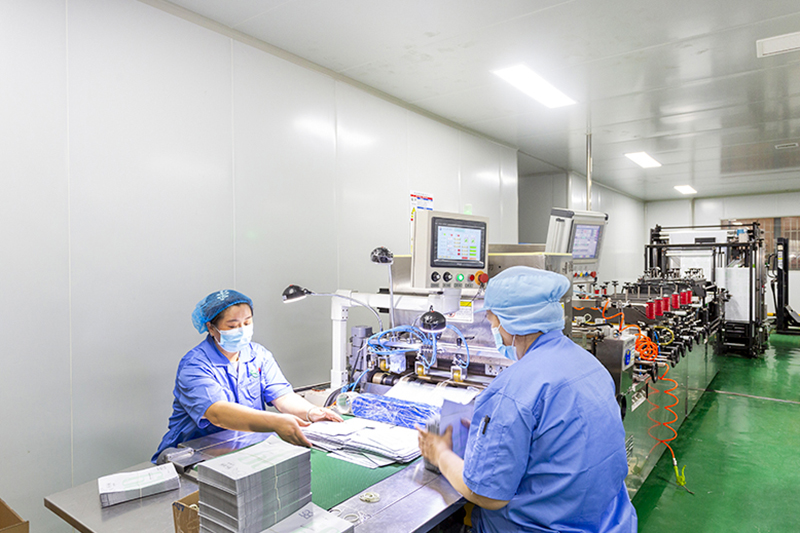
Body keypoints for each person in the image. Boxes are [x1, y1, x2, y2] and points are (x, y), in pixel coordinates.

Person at [418, 267, 637, 533]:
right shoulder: (590, 365)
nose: (494, 329)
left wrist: (439, 453)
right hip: (610, 524)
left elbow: (487, 495)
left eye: (493, 321)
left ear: (511, 322)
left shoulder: (512, 391)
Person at [152, 289, 341, 462]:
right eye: (233, 325)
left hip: (244, 451)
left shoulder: (258, 355)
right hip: (192, 456)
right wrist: (275, 422)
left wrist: (310, 411)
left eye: (247, 323)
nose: (242, 330)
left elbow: (282, 396)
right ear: (211, 327)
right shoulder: (195, 365)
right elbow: (218, 413)